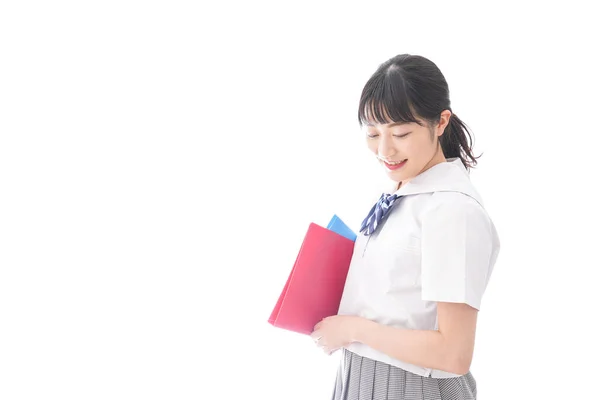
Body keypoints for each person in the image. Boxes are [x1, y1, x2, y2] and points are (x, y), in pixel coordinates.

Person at [310, 54, 501, 400]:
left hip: (411, 387)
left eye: (400, 133)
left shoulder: (452, 209)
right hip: (360, 378)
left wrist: (353, 328)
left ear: (441, 122)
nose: (385, 150)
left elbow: (453, 353)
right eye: (372, 133)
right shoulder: (406, 191)